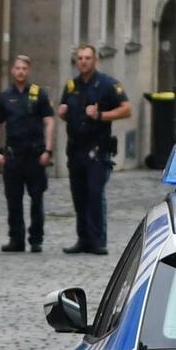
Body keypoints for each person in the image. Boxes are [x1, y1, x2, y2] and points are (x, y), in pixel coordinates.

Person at [58, 44, 132, 256]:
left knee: (94, 193)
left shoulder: (107, 84)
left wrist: (101, 116)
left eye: (87, 58)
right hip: (75, 149)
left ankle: (98, 240)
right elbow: (67, 110)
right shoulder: (71, 86)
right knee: (78, 195)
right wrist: (63, 113)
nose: (83, 61)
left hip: (97, 149)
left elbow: (126, 109)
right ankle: (83, 238)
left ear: (95, 60)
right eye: (80, 58)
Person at [0, 54, 57, 253]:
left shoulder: (39, 94)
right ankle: (16, 239)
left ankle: (36, 239)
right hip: (13, 156)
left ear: (28, 71)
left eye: (24, 69)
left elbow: (49, 122)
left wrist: (48, 149)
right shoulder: (5, 96)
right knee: (13, 199)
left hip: (35, 156)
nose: (20, 72)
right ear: (12, 70)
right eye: (17, 68)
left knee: (36, 199)